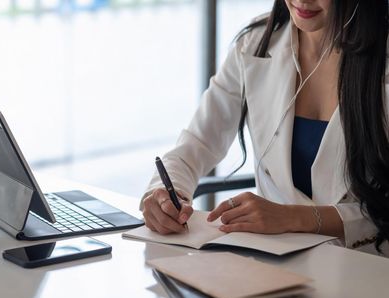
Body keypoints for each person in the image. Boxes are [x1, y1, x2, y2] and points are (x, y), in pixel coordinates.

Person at [141, 0, 389, 256]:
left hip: (369, 267)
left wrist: (293, 218)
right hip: (276, 263)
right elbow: (196, 143)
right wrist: (164, 195)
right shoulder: (256, 42)